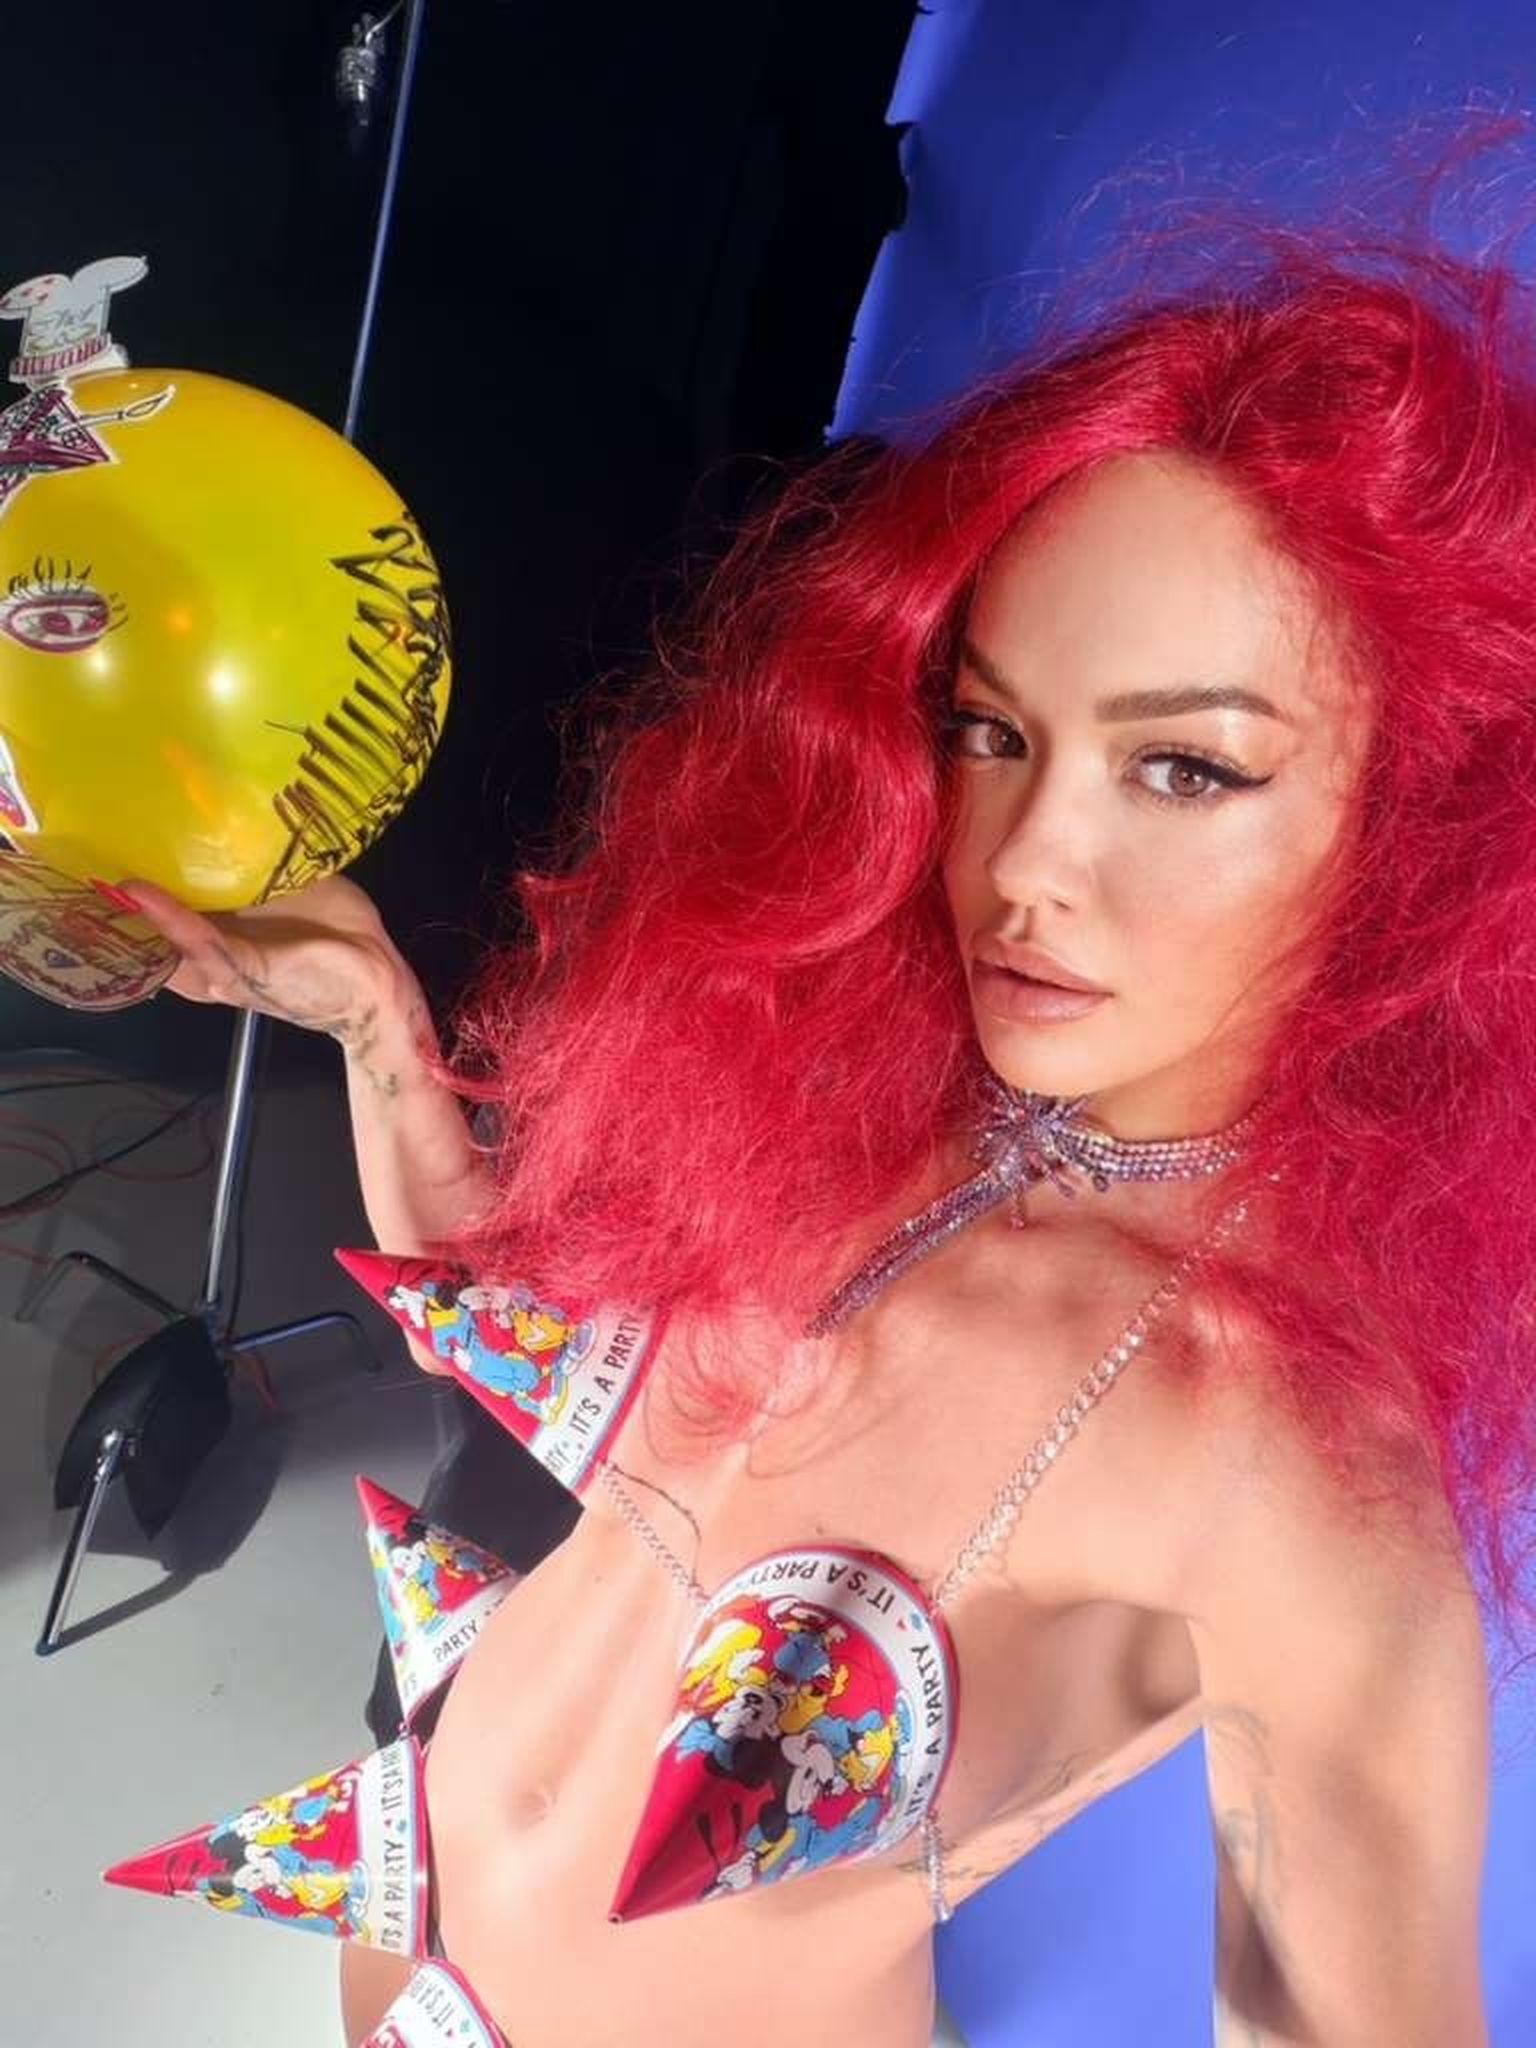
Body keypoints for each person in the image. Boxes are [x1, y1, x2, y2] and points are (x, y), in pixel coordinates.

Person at [118, 209, 1536, 2047]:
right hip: (389, 1943)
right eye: (991, 732)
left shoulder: (1291, 1463)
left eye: (1184, 767)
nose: (1027, 865)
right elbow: (543, 1363)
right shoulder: (874, 1114)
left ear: (1420, 829)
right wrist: (374, 1023)